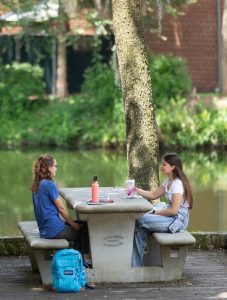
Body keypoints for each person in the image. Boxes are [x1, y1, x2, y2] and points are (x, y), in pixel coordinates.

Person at [132, 153, 193, 267]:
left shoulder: (177, 184)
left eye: (164, 164)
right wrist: (136, 189)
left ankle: (135, 265)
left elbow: (174, 211)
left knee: (140, 220)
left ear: (173, 167)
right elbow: (154, 194)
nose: (162, 166)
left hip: (178, 221)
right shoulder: (168, 181)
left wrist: (156, 213)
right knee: (140, 226)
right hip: (172, 218)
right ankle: (136, 266)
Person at [31, 154, 91, 268]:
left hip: (44, 229)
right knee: (83, 229)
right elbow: (61, 208)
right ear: (48, 167)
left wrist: (70, 223)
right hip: (53, 229)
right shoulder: (49, 184)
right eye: (55, 166)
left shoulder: (37, 185)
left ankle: (78, 260)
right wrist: (73, 224)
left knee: (81, 224)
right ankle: (79, 262)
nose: (56, 168)